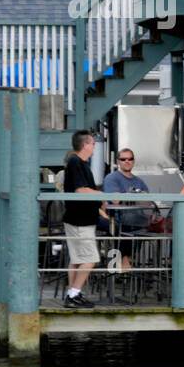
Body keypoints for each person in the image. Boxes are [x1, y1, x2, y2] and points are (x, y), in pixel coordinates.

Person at [62, 130, 102, 308]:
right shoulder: (76, 162)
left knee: (77, 259)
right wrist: (102, 194)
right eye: (92, 143)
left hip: (79, 218)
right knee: (89, 258)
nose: (94, 147)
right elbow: (80, 190)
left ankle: (73, 294)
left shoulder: (79, 163)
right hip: (80, 219)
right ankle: (73, 294)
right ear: (85, 145)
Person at [102, 148, 152, 271]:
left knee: (142, 224)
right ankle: (124, 262)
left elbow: (148, 201)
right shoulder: (111, 178)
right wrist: (138, 196)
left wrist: (127, 196)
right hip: (117, 220)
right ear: (118, 161)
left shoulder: (139, 181)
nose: (127, 161)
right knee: (128, 223)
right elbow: (116, 200)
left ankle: (126, 262)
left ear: (134, 161)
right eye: (123, 159)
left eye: (130, 159)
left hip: (139, 221)